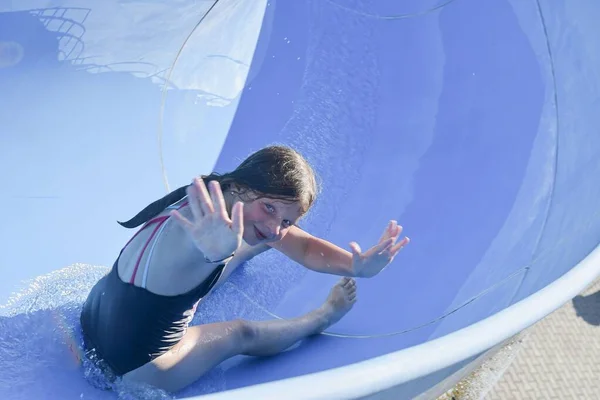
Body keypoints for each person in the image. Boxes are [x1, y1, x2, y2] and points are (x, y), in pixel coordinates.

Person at [80, 145, 409, 393]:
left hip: (93, 317)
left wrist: (357, 266)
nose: (275, 226)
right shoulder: (203, 235)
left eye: (287, 221)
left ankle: (235, 251)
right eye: (269, 207)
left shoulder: (214, 192)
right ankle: (321, 317)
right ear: (240, 186)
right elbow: (196, 247)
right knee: (239, 333)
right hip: (136, 368)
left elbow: (305, 246)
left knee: (252, 239)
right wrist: (215, 253)